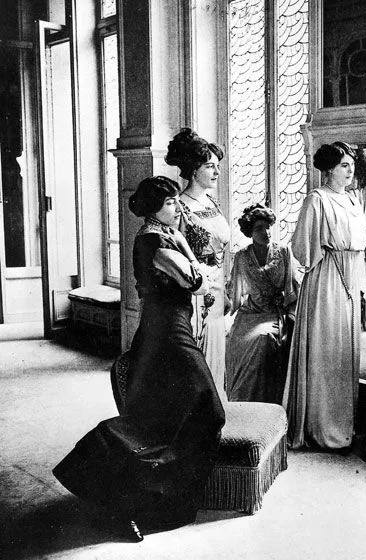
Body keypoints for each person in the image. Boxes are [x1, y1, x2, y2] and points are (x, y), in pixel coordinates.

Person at [53, 176, 225, 541]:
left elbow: (196, 277)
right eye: (169, 204)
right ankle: (136, 501)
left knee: (169, 418)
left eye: (177, 201)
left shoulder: (167, 235)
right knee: (206, 409)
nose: (178, 208)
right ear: (152, 210)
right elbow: (196, 282)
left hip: (169, 329)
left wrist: (192, 262)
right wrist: (196, 268)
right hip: (166, 333)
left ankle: (155, 501)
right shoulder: (152, 241)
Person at [283, 120, 366, 449]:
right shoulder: (317, 200)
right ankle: (321, 425)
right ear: (329, 170)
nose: (350, 171)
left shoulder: (353, 199)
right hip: (327, 276)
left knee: (343, 349)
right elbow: (301, 247)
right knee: (326, 348)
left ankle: (341, 423)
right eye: (344, 166)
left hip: (351, 275)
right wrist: (324, 257)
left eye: (351, 165)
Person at [166, 128, 231, 395]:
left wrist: (226, 289)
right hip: (195, 291)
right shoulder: (180, 207)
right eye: (209, 167)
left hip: (218, 287)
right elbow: (175, 256)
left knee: (216, 356)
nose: (216, 172)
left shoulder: (212, 202)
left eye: (217, 166)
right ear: (194, 170)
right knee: (198, 355)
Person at [225, 204, 301, 403]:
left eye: (267, 227)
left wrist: (291, 312)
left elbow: (293, 285)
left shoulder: (283, 251)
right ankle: (239, 400)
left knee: (262, 338)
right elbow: (234, 290)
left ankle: (262, 401)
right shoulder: (241, 256)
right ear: (250, 232)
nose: (266, 232)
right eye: (259, 228)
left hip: (273, 313)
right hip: (250, 312)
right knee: (235, 340)